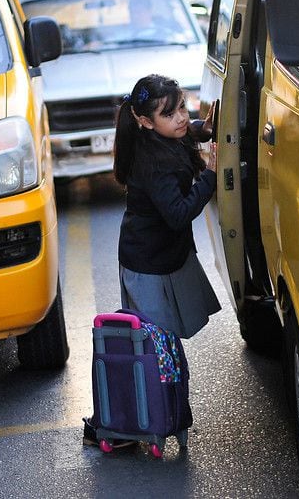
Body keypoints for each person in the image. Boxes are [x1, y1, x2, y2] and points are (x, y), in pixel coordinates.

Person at [83, 74, 219, 448]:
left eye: (181, 108)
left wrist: (201, 129)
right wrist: (209, 176)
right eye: (168, 113)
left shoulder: (163, 136)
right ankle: (136, 418)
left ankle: (158, 413)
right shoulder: (153, 163)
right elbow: (177, 213)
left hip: (166, 258)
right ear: (145, 122)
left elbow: (183, 131)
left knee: (165, 344)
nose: (180, 118)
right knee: (154, 347)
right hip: (146, 265)